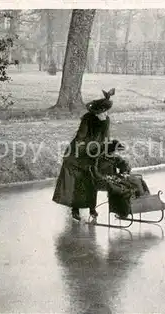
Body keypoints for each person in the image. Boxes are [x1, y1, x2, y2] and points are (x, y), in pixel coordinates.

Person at [52, 88, 115, 221]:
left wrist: (107, 149)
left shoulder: (106, 120)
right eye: (103, 112)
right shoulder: (87, 119)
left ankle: (92, 208)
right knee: (78, 179)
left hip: (95, 150)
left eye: (106, 112)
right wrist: (90, 147)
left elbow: (106, 137)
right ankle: (75, 209)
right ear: (97, 112)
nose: (105, 114)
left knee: (93, 179)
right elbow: (80, 138)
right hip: (78, 152)